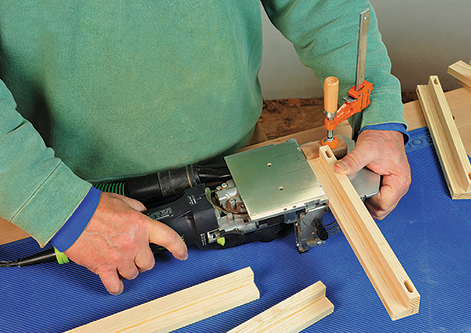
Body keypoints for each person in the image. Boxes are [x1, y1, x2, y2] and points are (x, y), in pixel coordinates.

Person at [0, 1, 410, 295]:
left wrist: (381, 118)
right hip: (51, 186)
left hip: (241, 156)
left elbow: (325, 8)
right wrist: (58, 207)